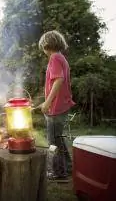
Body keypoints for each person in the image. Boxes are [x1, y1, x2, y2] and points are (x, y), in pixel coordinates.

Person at [38, 30, 75, 182]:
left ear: (47, 45)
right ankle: (68, 166)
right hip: (61, 106)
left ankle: (59, 173)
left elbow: (58, 80)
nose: (44, 52)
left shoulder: (54, 58)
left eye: (43, 48)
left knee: (53, 142)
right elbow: (56, 81)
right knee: (59, 139)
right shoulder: (61, 58)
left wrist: (47, 102)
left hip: (55, 108)